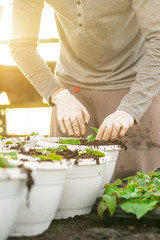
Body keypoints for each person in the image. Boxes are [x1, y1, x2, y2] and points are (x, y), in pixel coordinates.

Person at [9, 0, 160, 180]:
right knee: (68, 191)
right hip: (70, 97)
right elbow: (20, 43)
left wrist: (131, 108)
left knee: (136, 193)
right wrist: (58, 94)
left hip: (133, 90)